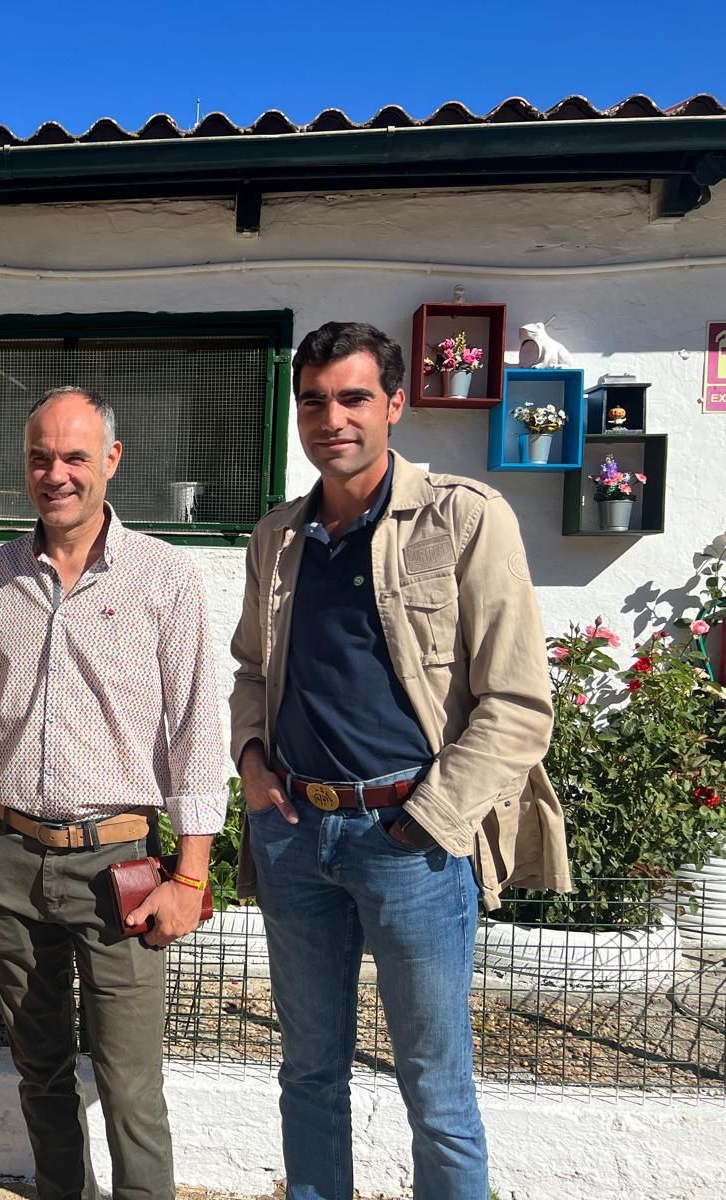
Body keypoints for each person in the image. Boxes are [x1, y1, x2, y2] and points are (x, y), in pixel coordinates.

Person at [229, 321, 571, 1200]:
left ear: (394, 405)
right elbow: (253, 670)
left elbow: (518, 704)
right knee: (308, 1073)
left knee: (436, 1088)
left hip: (412, 843)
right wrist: (253, 761)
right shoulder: (279, 535)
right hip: (296, 835)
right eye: (313, 401)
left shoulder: (465, 518)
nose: (330, 418)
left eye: (352, 398)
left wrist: (428, 816)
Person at [0, 386, 228, 1200]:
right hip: (9, 855)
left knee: (132, 1088)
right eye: (40, 457)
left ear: (111, 460)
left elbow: (198, 736)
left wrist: (192, 875)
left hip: (121, 868)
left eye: (73, 456)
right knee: (40, 1074)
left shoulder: (164, 577)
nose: (55, 474)